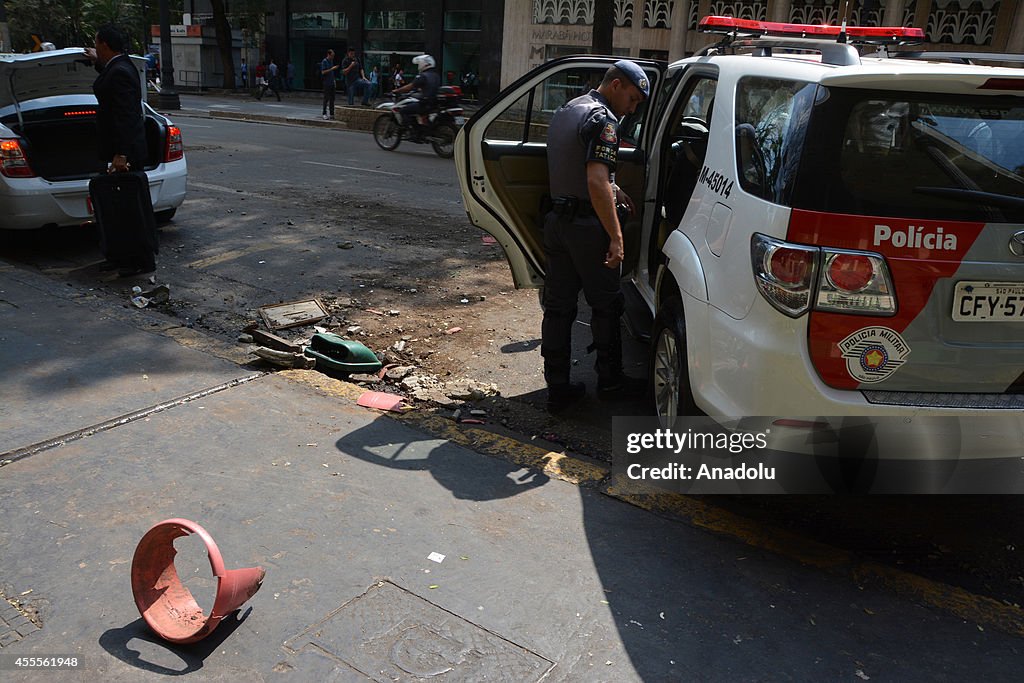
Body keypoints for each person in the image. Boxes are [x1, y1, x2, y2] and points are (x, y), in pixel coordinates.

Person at [540, 60, 649, 412]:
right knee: (607, 305)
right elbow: (594, 180)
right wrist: (616, 237)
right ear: (615, 85)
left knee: (558, 308)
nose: (632, 108)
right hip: (588, 229)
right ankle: (611, 383)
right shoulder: (603, 120)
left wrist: (614, 188)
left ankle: (557, 388)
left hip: (558, 222)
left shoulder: (568, 109)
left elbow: (577, 166)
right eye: (632, 99)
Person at [86, 24, 156, 277]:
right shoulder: (119, 66)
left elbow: (127, 117)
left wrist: (122, 154)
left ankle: (138, 260)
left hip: (124, 153)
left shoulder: (121, 71)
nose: (95, 47)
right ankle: (121, 256)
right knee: (117, 208)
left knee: (129, 209)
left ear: (104, 43)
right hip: (118, 150)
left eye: (96, 43)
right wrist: (97, 62)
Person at [391, 54, 440, 133]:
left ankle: (412, 130)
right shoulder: (435, 75)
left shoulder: (423, 76)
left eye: (419, 63)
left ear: (423, 63)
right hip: (434, 103)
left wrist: (396, 90)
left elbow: (410, 87)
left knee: (403, 111)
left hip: (425, 103)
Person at [321, 48, 340, 119]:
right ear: (328, 54)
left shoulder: (331, 61)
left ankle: (332, 113)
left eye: (333, 56)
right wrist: (332, 68)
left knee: (332, 98)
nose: (333, 57)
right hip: (326, 83)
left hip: (332, 82)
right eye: (332, 55)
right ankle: (324, 113)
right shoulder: (324, 61)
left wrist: (334, 81)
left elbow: (332, 73)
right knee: (326, 98)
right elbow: (323, 72)